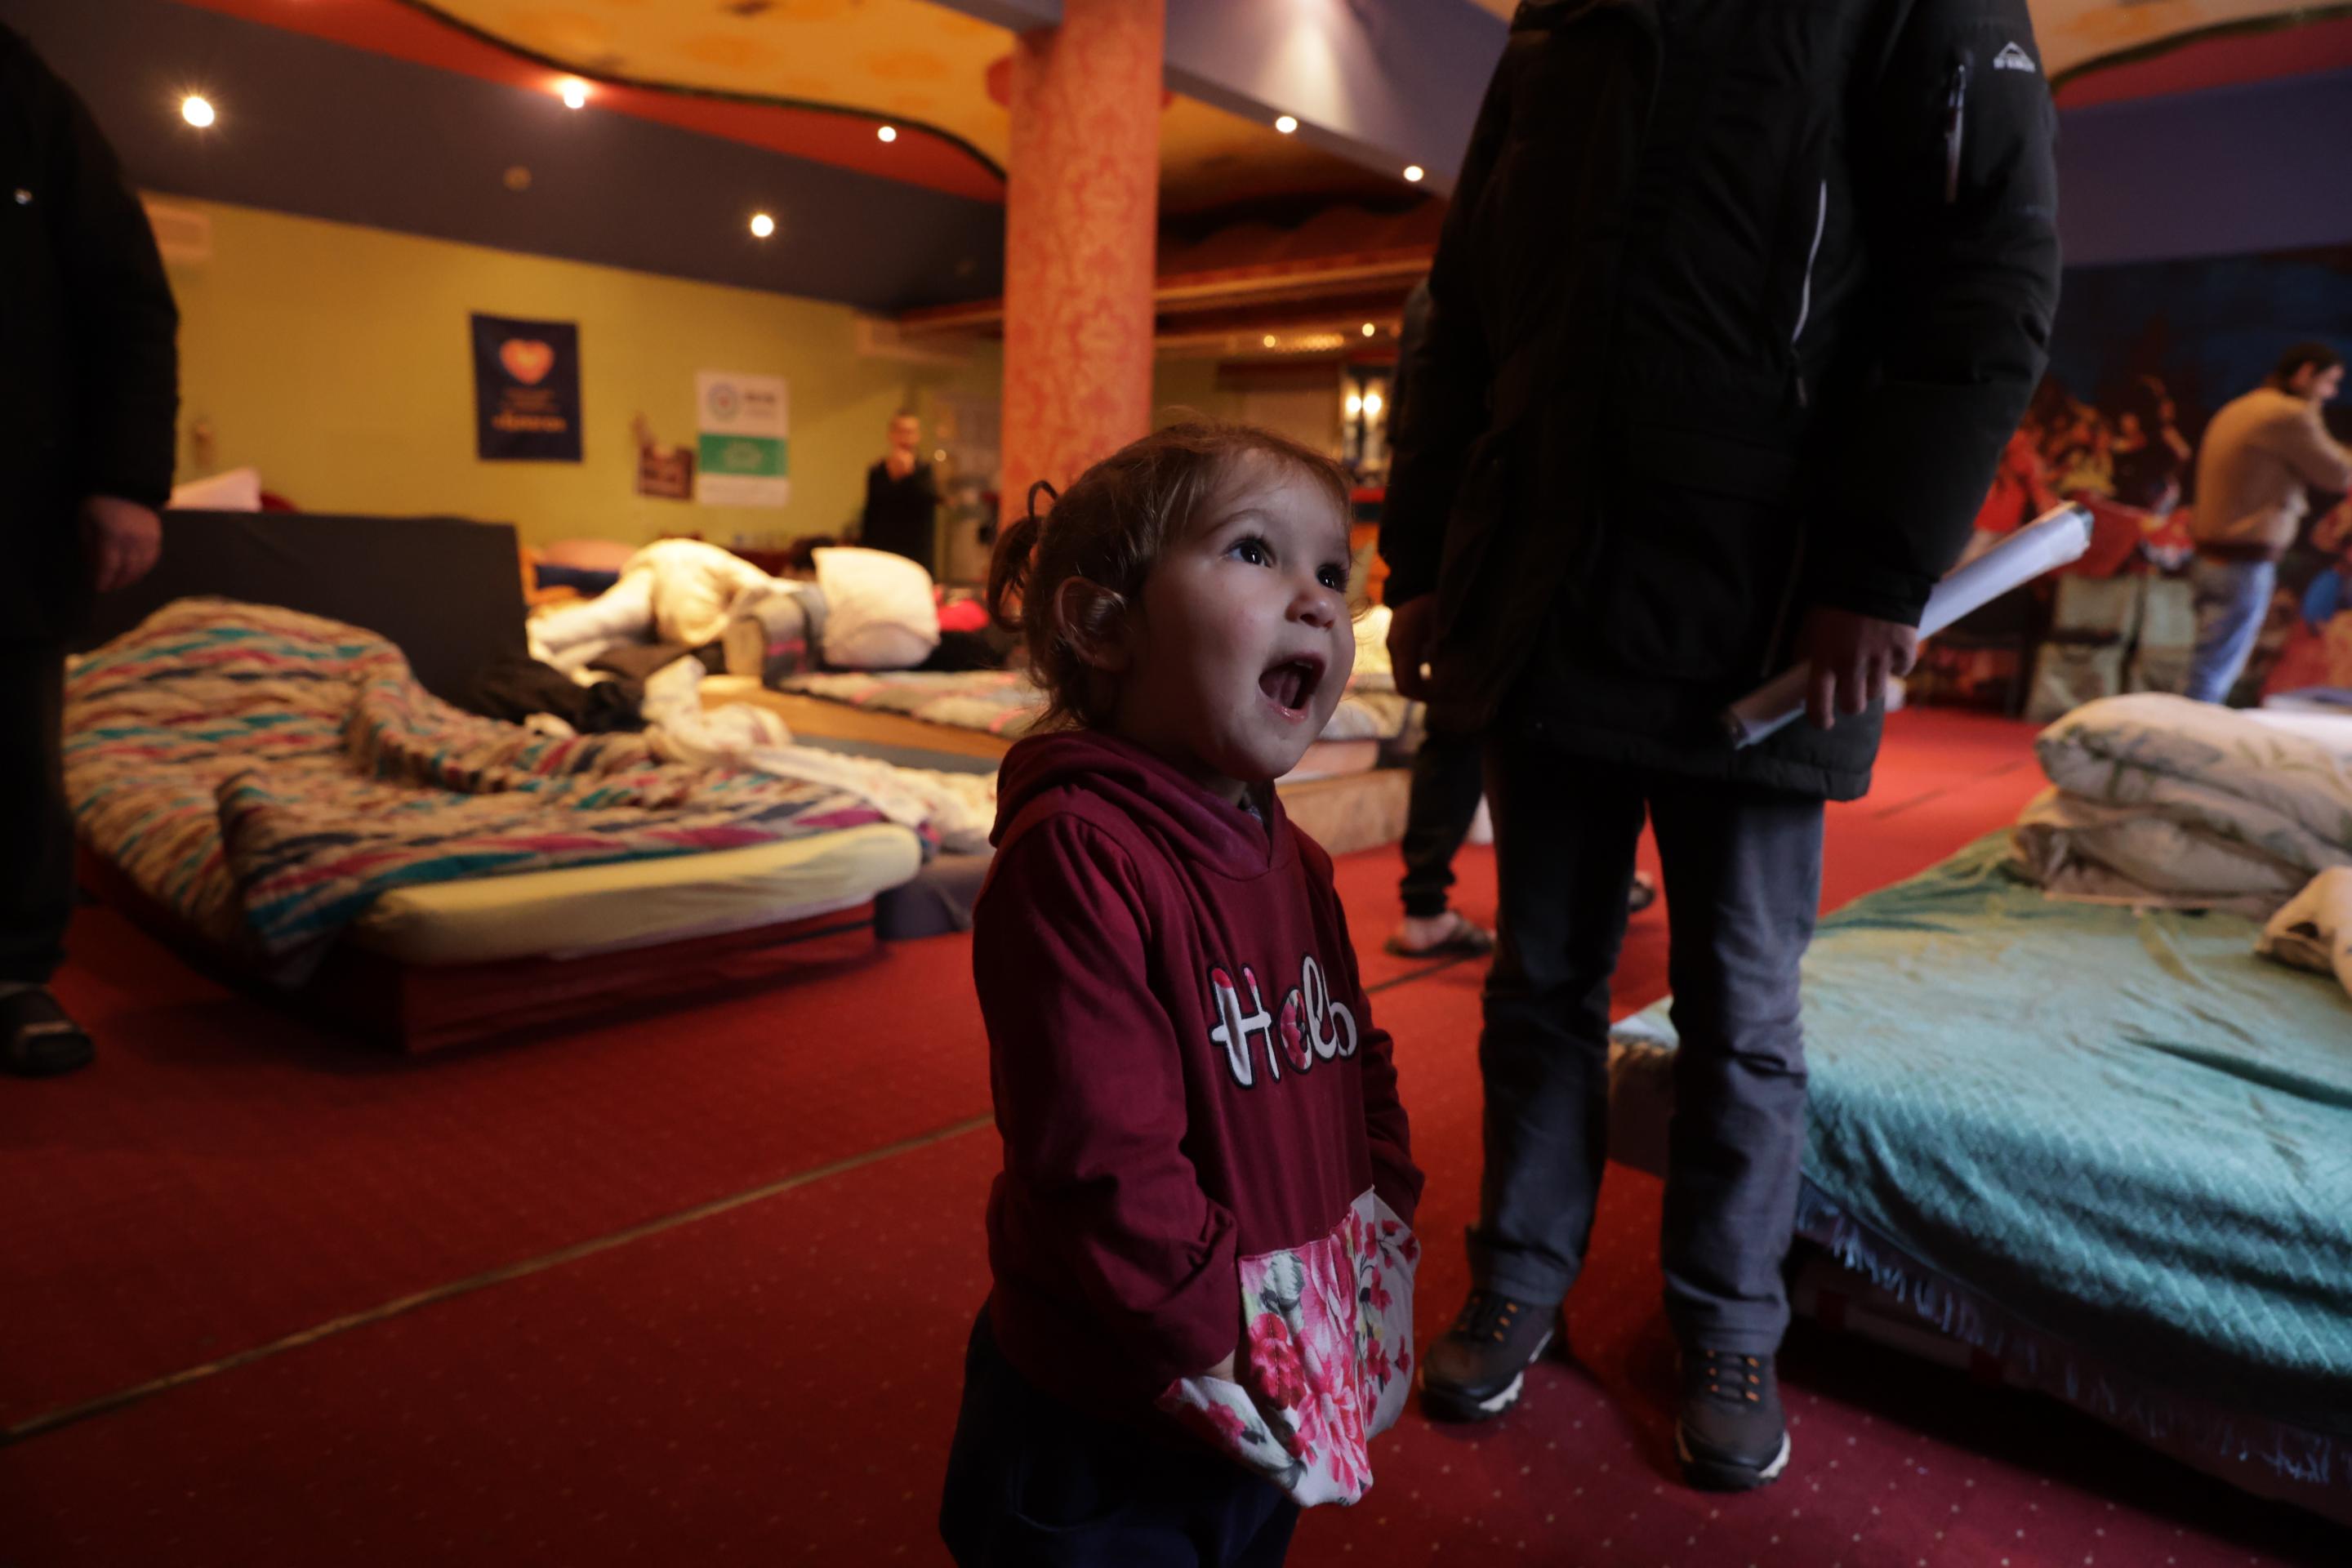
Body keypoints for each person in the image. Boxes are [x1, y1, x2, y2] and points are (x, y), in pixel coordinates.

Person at [1379, 0, 2060, 1494]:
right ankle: (1521, 1274)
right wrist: (1421, 553)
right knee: (1538, 982)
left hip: (1769, 598)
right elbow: (1467, 297)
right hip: (1546, 573)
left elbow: (1983, 278)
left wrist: (1879, 571)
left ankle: (1729, 1320)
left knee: (1742, 1009)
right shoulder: (1561, 14)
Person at [940, 421, 1422, 1566]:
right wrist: (1216, 1337)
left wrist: (1380, 1222)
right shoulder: (1079, 854)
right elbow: (1102, 1156)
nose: (1316, 600)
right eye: (1257, 553)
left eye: (1334, 574)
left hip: (1270, 1364)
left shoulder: (1292, 855)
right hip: (1119, 1400)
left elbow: (1353, 1057)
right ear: (1103, 625)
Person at [2, 26, 180, 1076]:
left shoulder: (26, 93)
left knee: (12, 749)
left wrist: (127, 478)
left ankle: (12, 973)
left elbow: (127, 299)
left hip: (7, 500)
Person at [1382, 278, 1652, 960]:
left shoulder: (1437, 294)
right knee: (1570, 720)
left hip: (1464, 535)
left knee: (1453, 729)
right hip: (1528, 530)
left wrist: (1417, 568)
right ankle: (1583, 887)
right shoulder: (1527, 278)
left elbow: (1410, 431)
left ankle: (1425, 906)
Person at [2185, 343, 2352, 704]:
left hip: (2211, 558)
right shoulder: (2288, 413)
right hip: (2242, 562)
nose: (2332, 394)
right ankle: (2187, 744)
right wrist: (2311, 408)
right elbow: (2339, 474)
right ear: (2305, 373)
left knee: (2207, 663)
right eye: (2328, 382)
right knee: (2215, 671)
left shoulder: (2241, 407)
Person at [860, 409, 942, 571]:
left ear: (918, 436)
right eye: (901, 432)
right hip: (883, 556)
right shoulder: (877, 471)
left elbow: (928, 504)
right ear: (892, 435)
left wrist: (910, 475)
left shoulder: (924, 471)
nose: (906, 438)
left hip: (916, 557)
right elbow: (871, 513)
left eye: (910, 432)